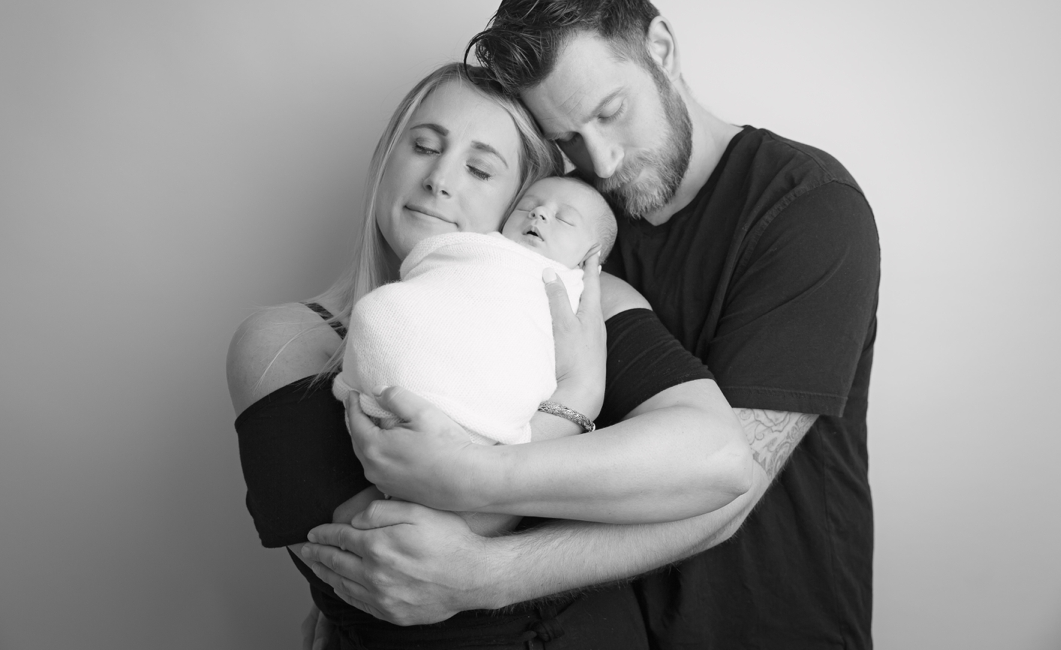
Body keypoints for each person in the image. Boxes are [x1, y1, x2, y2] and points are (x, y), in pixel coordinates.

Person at [302, 0, 881, 649]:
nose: (601, 162)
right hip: (604, 623)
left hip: (768, 622)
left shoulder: (806, 208)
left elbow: (730, 492)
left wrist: (480, 567)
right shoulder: (562, 213)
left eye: (610, 113)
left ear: (660, 48)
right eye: (569, 138)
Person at [229, 61, 753, 649]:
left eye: (480, 169)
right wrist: (572, 403)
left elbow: (718, 459)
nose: (440, 179)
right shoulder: (286, 343)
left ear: (519, 205)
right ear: (385, 159)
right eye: (424, 146)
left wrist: (482, 510)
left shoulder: (577, 300)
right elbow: (390, 557)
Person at [336, 176, 618, 447]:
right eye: (526, 206)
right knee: (380, 309)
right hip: (401, 359)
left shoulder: (575, 292)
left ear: (588, 259)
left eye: (564, 219)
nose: (539, 213)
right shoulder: (481, 247)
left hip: (482, 405)